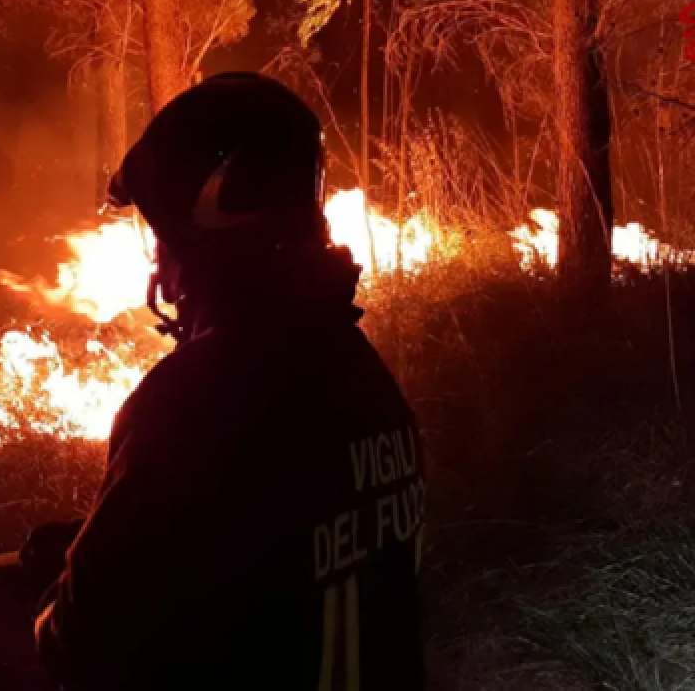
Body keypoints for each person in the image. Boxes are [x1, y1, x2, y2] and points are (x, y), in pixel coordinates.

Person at [22, 72, 428, 690]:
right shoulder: (366, 380)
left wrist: (64, 589)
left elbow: (81, 645)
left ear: (203, 231)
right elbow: (271, 543)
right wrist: (104, 540)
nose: (157, 259)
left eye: (159, 233)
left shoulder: (190, 402)